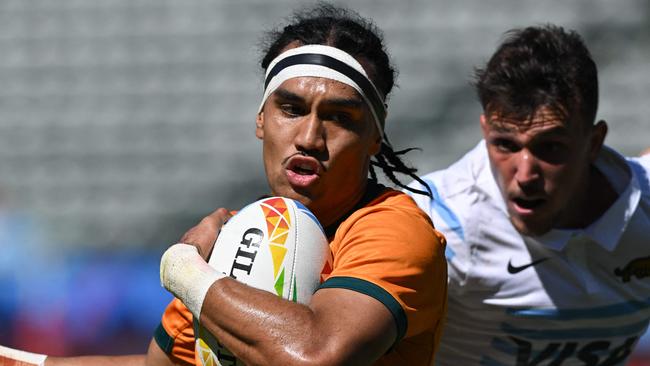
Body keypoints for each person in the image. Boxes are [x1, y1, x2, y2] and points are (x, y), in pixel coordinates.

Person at [2, 4, 446, 366]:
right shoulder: (236, 236)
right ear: (260, 120)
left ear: (375, 137)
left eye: (339, 118)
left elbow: (316, 355)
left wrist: (185, 270)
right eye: (291, 109)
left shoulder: (394, 231)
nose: (310, 138)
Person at [407, 25, 650, 366]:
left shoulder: (644, 206)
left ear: (594, 143)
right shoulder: (437, 224)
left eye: (550, 148)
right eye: (505, 144)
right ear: (484, 130)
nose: (524, 175)